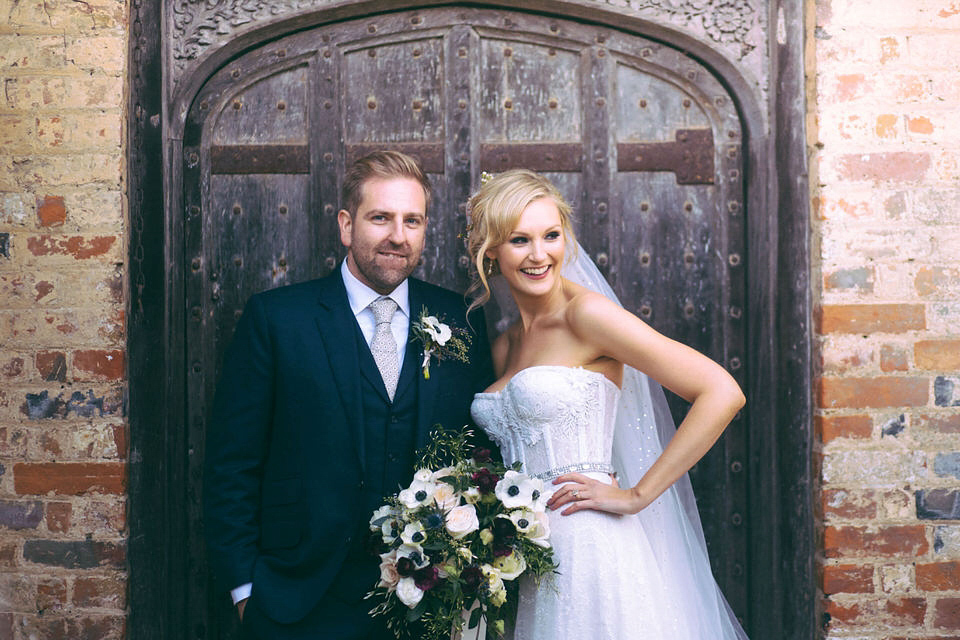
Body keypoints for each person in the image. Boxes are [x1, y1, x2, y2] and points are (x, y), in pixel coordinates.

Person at [203, 150, 493, 639]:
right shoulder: (278, 320)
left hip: (428, 602)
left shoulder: (461, 319)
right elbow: (232, 465)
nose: (397, 236)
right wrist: (245, 592)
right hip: (299, 599)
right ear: (346, 224)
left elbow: (483, 448)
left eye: (412, 220)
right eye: (380, 217)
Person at [466, 169, 749, 639]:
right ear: (491, 250)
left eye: (551, 235)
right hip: (525, 561)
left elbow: (721, 392)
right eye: (520, 240)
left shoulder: (587, 315)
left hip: (590, 547)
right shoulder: (504, 344)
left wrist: (635, 495)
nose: (540, 255)